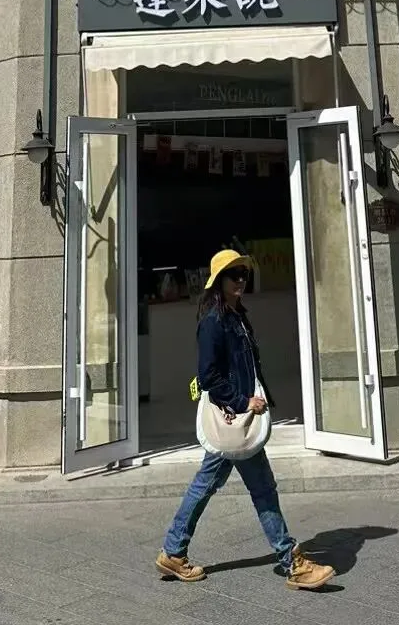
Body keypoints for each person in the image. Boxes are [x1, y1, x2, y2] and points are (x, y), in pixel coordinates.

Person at [156, 249, 336, 591]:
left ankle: (174, 551)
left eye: (243, 274)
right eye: (233, 274)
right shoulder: (214, 321)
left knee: (211, 486)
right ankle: (292, 563)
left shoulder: (236, 315)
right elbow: (208, 376)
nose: (240, 280)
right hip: (234, 418)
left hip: (237, 422)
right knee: (262, 490)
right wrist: (243, 402)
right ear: (218, 281)